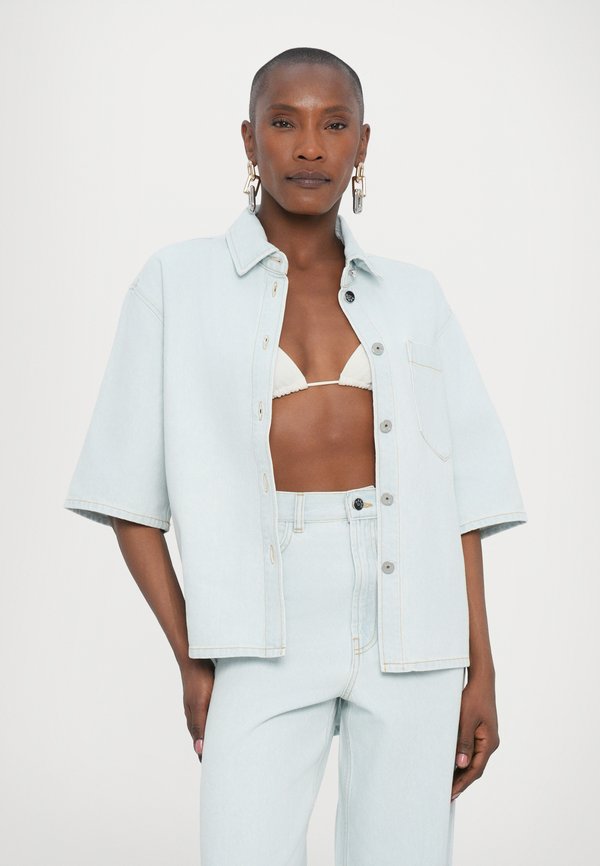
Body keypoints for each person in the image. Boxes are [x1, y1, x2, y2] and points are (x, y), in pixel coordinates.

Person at [63, 46, 528, 865]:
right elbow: (127, 497)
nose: (310, 146)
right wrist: (192, 656)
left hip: (414, 623)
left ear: (362, 144)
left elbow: (460, 498)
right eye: (284, 122)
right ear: (249, 140)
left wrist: (478, 667)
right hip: (261, 627)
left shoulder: (414, 296)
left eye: (334, 125)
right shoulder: (177, 283)